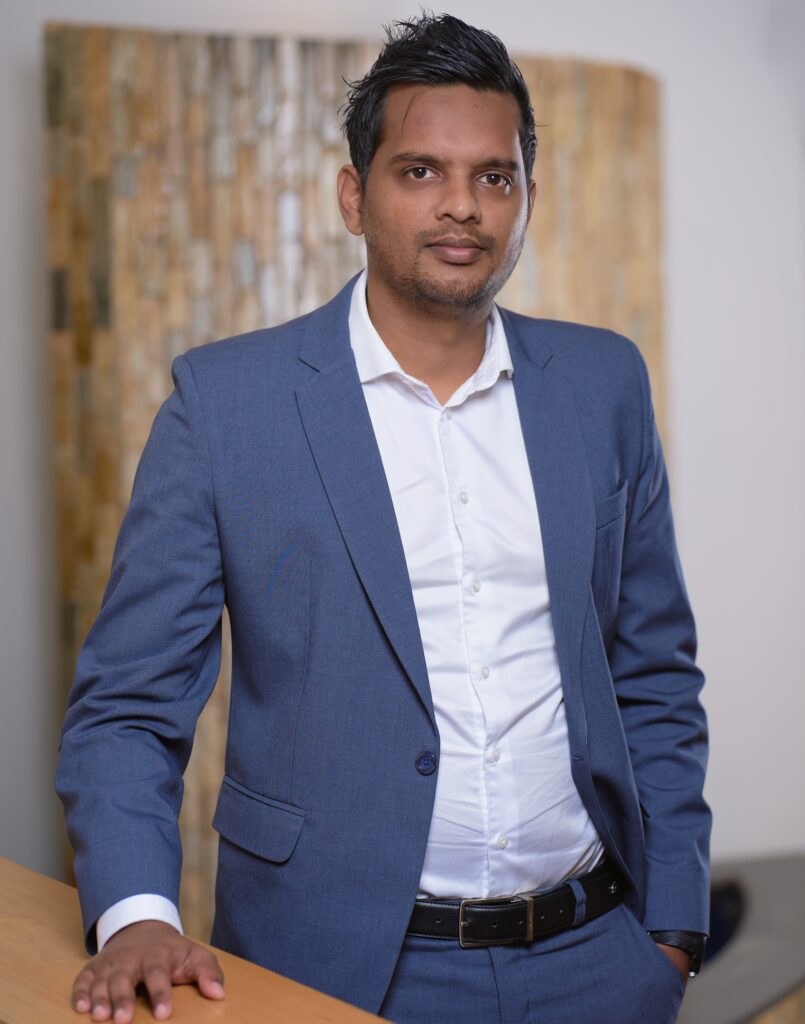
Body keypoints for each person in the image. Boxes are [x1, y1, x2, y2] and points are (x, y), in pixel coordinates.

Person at [56, 13, 710, 1024]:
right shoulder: (225, 406)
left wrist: (670, 930)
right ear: (353, 196)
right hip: (334, 965)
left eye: (494, 176)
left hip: (599, 960)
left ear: (526, 198)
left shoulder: (602, 384)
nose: (462, 205)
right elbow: (129, 706)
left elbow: (654, 669)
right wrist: (136, 916)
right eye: (419, 171)